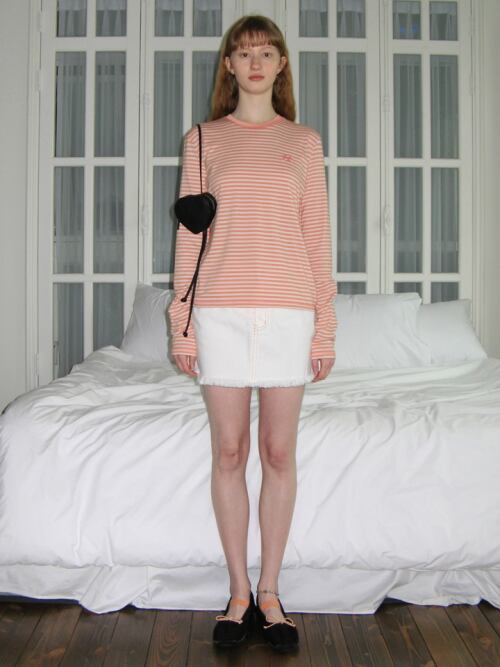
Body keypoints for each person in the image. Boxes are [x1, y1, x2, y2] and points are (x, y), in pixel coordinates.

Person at [168, 14, 337, 653]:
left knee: (279, 454)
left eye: (267, 52)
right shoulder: (202, 141)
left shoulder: (305, 143)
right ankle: (238, 594)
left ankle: (271, 593)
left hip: (290, 314)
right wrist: (182, 324)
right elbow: (190, 236)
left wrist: (325, 329)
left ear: (281, 64)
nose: (256, 62)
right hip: (219, 313)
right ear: (230, 66)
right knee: (230, 453)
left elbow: (317, 242)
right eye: (244, 53)